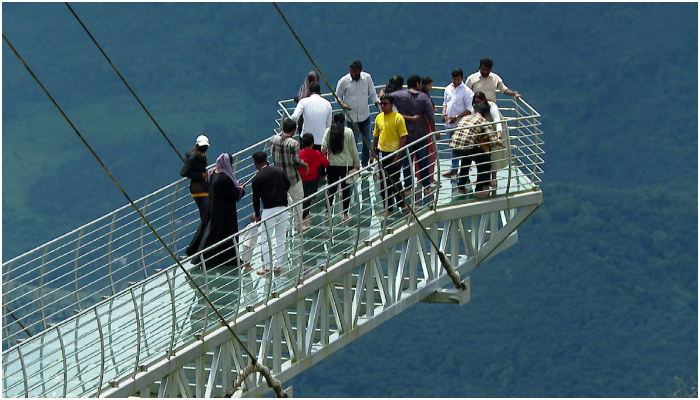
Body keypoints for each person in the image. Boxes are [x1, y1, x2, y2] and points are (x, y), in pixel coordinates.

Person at [185, 153, 246, 269]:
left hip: (214, 209)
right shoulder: (225, 178)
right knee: (226, 235)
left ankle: (203, 257)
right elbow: (234, 195)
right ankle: (223, 258)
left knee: (212, 234)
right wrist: (241, 189)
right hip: (226, 212)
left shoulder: (213, 174)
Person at [389, 75, 436, 196]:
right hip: (421, 134)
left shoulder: (400, 95)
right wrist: (433, 129)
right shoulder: (423, 97)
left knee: (407, 162)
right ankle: (426, 186)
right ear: (417, 83)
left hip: (405, 135)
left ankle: (408, 187)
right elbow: (430, 116)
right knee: (423, 160)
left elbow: (386, 97)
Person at [251, 151, 291, 276]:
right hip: (283, 207)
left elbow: (256, 199)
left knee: (266, 239)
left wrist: (257, 214)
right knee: (281, 237)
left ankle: (267, 267)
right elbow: (288, 184)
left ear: (255, 163)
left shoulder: (257, 178)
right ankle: (278, 265)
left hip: (269, 209)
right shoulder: (278, 170)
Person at [335, 60, 380, 167]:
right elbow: (337, 96)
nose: (353, 74)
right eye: (352, 72)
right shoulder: (344, 81)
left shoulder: (367, 78)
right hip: (352, 117)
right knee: (353, 143)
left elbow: (373, 94)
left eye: (356, 72)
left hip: (365, 116)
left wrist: (379, 108)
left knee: (367, 141)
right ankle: (354, 164)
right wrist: (343, 104)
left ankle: (364, 163)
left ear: (360, 70)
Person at [449, 103, 498, 197]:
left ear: (475, 111)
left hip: (454, 145)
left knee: (466, 159)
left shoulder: (466, 117)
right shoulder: (484, 121)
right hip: (467, 147)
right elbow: (493, 141)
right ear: (486, 114)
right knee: (485, 161)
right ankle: (479, 189)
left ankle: (461, 187)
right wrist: (497, 141)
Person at [371, 94, 408, 215]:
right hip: (383, 153)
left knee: (394, 181)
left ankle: (402, 204)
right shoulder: (378, 118)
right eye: (381, 104)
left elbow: (403, 136)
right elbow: (376, 136)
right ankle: (389, 208)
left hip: (394, 153)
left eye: (385, 104)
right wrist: (373, 153)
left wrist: (398, 154)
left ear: (391, 105)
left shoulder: (398, 118)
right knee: (384, 183)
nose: (382, 106)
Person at [270, 119, 309, 230]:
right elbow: (295, 161)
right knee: (298, 200)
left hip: (278, 177)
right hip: (292, 178)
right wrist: (304, 164)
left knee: (282, 204)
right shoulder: (293, 143)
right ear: (293, 130)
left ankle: (284, 227)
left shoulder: (273, 139)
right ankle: (298, 225)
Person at [322, 113, 361, 221]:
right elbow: (353, 149)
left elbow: (323, 148)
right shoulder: (348, 132)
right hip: (346, 165)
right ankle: (345, 215)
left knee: (331, 190)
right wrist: (357, 165)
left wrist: (326, 159)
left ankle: (328, 214)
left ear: (333, 121)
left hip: (332, 164)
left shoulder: (329, 131)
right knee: (346, 190)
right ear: (344, 121)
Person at [442, 68, 474, 178]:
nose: (456, 82)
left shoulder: (467, 91)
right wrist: (444, 113)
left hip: (461, 124)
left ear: (462, 78)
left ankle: (462, 170)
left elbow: (469, 109)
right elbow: (445, 103)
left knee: (461, 147)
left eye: (458, 80)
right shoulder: (448, 88)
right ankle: (454, 169)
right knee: (452, 146)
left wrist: (457, 117)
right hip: (449, 123)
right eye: (454, 80)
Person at [473, 91, 508, 185]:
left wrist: (498, 136)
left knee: (494, 153)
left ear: (484, 100)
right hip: (483, 130)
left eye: (479, 102)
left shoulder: (492, 107)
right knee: (481, 153)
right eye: (475, 102)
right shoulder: (475, 107)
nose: (477, 104)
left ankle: (494, 178)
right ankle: (480, 178)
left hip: (495, 129)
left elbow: (497, 121)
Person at [298, 133, 329, 225]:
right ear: (313, 143)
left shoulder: (299, 154)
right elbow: (326, 163)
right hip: (313, 179)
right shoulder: (317, 154)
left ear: (302, 143)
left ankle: (302, 215)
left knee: (301, 198)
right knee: (308, 198)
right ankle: (304, 216)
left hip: (301, 179)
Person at [291, 82, 332, 150]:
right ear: (319, 91)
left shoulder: (303, 102)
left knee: (304, 159)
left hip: (306, 139)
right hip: (321, 140)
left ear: (309, 91)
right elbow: (328, 125)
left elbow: (295, 117)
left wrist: (290, 126)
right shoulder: (327, 104)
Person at [180, 135, 210, 221]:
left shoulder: (201, 155)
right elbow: (183, 172)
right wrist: (200, 175)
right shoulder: (194, 158)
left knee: (206, 212)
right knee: (205, 212)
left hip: (203, 186)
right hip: (198, 188)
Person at [421, 76, 439, 180]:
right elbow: (429, 116)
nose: (431, 88)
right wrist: (434, 129)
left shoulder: (420, 97)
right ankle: (430, 177)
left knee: (421, 154)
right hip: (427, 129)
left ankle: (421, 176)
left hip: (420, 129)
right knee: (431, 153)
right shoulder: (425, 98)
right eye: (429, 85)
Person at [294, 71, 320, 136]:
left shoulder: (316, 90)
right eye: (313, 81)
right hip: (303, 121)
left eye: (317, 81)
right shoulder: (304, 90)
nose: (315, 83)